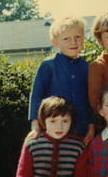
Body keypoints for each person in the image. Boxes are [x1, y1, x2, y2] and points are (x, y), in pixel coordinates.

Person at [28, 16, 94, 144]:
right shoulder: (48, 66)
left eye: (77, 37)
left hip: (80, 130)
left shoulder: (87, 67)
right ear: (55, 42)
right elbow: (36, 95)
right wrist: (36, 126)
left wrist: (91, 126)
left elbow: (89, 100)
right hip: (54, 129)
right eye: (66, 39)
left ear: (84, 38)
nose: (73, 42)